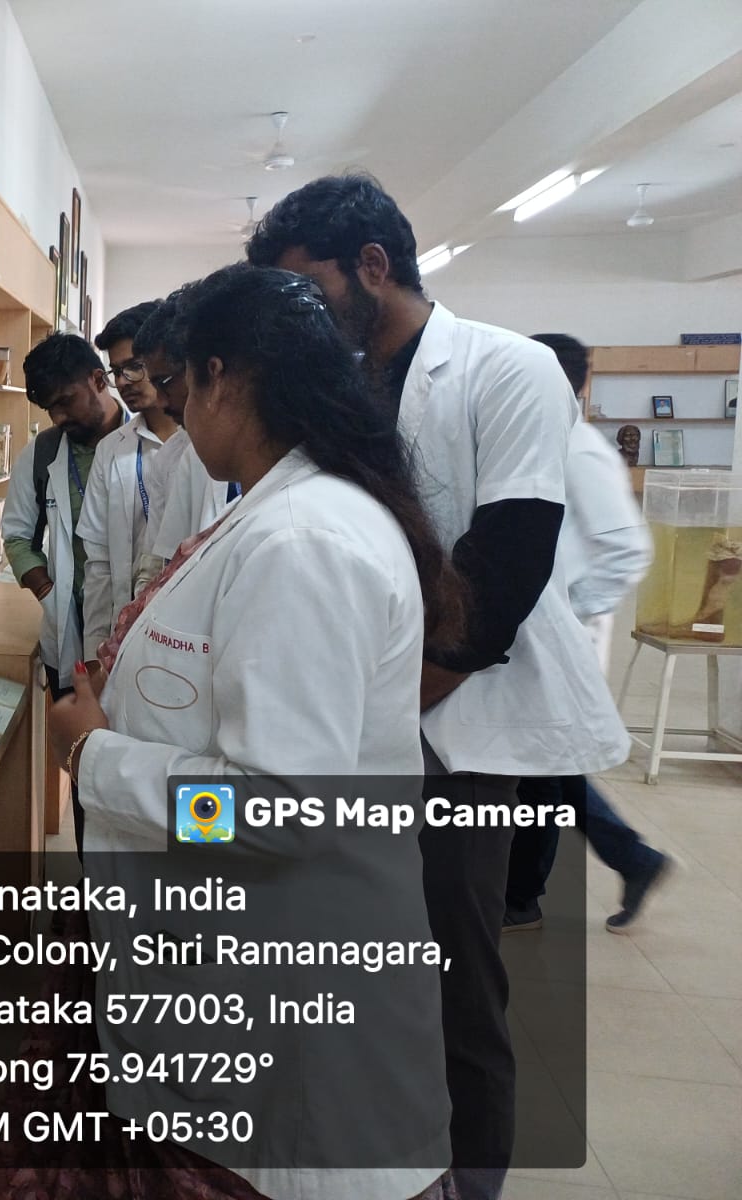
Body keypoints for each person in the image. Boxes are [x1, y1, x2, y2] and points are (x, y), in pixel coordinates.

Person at [247, 173, 628, 1200]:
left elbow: (505, 564)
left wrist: (390, 705)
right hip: (354, 709)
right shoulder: (336, 387)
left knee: (454, 979)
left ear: (372, 266)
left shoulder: (506, 368)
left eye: (310, 287)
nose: (300, 313)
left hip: (456, 721)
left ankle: (471, 1182)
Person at [46, 264, 463, 1200]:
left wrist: (93, 756)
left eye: (179, 386)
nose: (173, 412)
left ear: (222, 377)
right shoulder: (278, 511)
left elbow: (278, 813)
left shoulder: (302, 541)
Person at [505, 333, 671, 934]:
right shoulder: (541, 440)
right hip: (533, 631)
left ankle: (527, 895)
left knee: (544, 767)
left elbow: (628, 548)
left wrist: (572, 611)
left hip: (563, 633)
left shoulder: (580, 450)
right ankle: (626, 859)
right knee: (543, 763)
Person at [0, 333, 126, 852]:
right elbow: (16, 535)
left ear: (98, 380)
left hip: (138, 639)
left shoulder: (152, 441)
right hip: (71, 644)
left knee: (138, 767)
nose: (58, 417)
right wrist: (51, 593)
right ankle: (92, 879)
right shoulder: (45, 452)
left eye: (66, 401)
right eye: (49, 408)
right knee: (85, 769)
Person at [78, 301, 177, 662]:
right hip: (126, 636)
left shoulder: (202, 447)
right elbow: (99, 564)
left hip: (187, 634)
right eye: (116, 371)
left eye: (134, 366)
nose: (122, 382)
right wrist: (94, 655)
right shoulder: (111, 450)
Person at [129, 293, 236, 589]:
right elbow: (163, 563)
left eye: (164, 383)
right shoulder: (176, 457)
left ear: (210, 371)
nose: (160, 401)